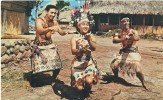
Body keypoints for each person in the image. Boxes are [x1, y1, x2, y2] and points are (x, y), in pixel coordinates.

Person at [31, 5, 71, 79]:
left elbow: (60, 32)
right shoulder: (39, 20)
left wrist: (65, 32)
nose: (53, 15)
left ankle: (52, 79)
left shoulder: (54, 22)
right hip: (39, 46)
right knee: (37, 69)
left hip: (50, 45)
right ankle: (34, 80)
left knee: (57, 66)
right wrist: (50, 28)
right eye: (51, 12)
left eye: (54, 13)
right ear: (46, 12)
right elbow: (39, 31)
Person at [110, 17, 147, 89]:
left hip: (133, 53)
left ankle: (143, 82)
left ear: (129, 23)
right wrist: (124, 38)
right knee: (114, 64)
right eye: (124, 21)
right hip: (124, 52)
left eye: (127, 21)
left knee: (138, 70)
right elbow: (114, 40)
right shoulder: (119, 32)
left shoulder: (133, 31)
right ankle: (116, 77)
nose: (126, 22)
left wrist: (131, 37)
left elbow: (137, 38)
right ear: (121, 24)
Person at [70, 15, 99, 91]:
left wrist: (89, 40)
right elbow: (73, 51)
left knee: (89, 81)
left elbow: (94, 48)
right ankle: (81, 87)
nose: (86, 26)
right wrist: (81, 50)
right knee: (79, 88)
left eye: (87, 24)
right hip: (77, 65)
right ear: (79, 26)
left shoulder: (91, 36)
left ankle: (86, 92)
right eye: (83, 24)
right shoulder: (74, 38)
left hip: (88, 64)